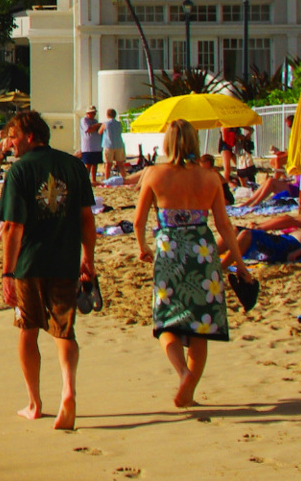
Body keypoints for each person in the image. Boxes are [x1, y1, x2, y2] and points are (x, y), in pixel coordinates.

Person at [134, 118, 248, 408]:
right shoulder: (210, 178)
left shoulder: (153, 174)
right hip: (202, 252)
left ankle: (182, 372)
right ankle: (190, 388)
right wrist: (240, 263)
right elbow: (224, 225)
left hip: (169, 250)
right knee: (201, 324)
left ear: (167, 143)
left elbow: (138, 221)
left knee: (166, 320)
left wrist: (143, 247)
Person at [0, 110, 95, 430]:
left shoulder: (19, 172)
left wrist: (7, 273)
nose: (8, 143)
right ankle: (68, 390)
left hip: (29, 264)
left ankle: (35, 403)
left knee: (28, 329)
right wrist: (88, 258)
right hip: (65, 260)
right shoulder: (74, 166)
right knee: (64, 329)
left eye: (12, 136)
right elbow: (87, 218)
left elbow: (12, 226)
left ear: (28, 135)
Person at [77, 107, 104, 186]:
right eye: (92, 113)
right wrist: (98, 125)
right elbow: (89, 129)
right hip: (88, 147)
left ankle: (93, 179)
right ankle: (85, 179)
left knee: (95, 164)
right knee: (88, 164)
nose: (93, 114)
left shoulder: (95, 121)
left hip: (96, 146)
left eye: (94, 113)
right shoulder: (84, 120)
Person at [102, 108, 126, 176]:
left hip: (108, 145)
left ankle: (107, 178)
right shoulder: (119, 123)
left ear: (107, 115)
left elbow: (100, 131)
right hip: (119, 144)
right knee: (120, 164)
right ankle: (124, 178)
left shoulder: (106, 123)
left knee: (108, 164)